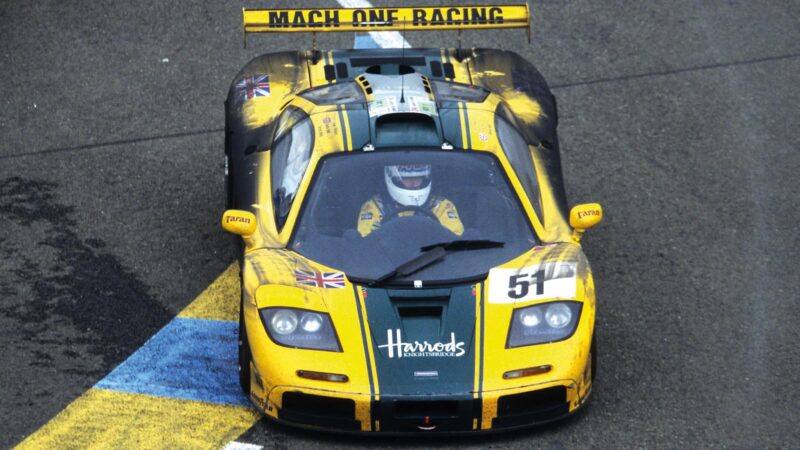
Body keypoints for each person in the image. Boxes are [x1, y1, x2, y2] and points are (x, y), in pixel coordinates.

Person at [358, 164, 464, 237]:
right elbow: (367, 246)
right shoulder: (374, 206)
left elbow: (454, 245)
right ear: (390, 176)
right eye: (407, 178)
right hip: (388, 267)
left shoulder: (442, 206)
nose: (414, 184)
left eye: (418, 178)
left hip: (434, 265)